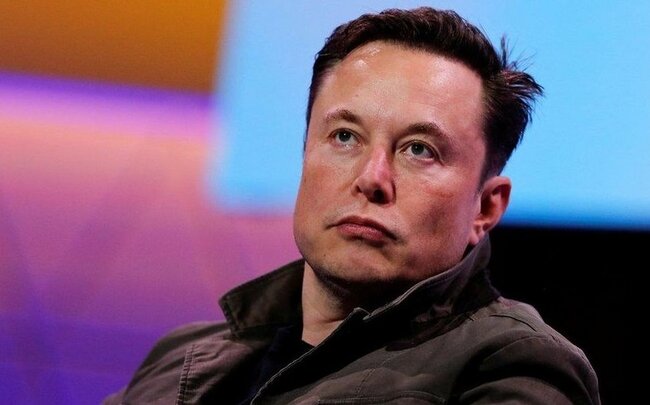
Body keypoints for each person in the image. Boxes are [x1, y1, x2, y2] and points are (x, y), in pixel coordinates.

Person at [104, 7, 600, 404]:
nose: (371, 179)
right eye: (344, 136)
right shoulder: (182, 356)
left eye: (419, 149)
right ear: (304, 153)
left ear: (486, 209)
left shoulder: (512, 366)